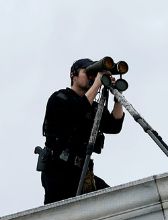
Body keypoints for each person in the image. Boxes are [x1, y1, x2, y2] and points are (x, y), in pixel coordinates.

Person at [40, 58, 125, 204]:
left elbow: (114, 126)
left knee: (114, 201)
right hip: (58, 170)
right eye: (87, 73)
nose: (91, 77)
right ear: (74, 75)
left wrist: (118, 97)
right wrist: (98, 82)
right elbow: (77, 112)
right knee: (62, 217)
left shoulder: (94, 106)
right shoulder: (59, 98)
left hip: (82, 171)